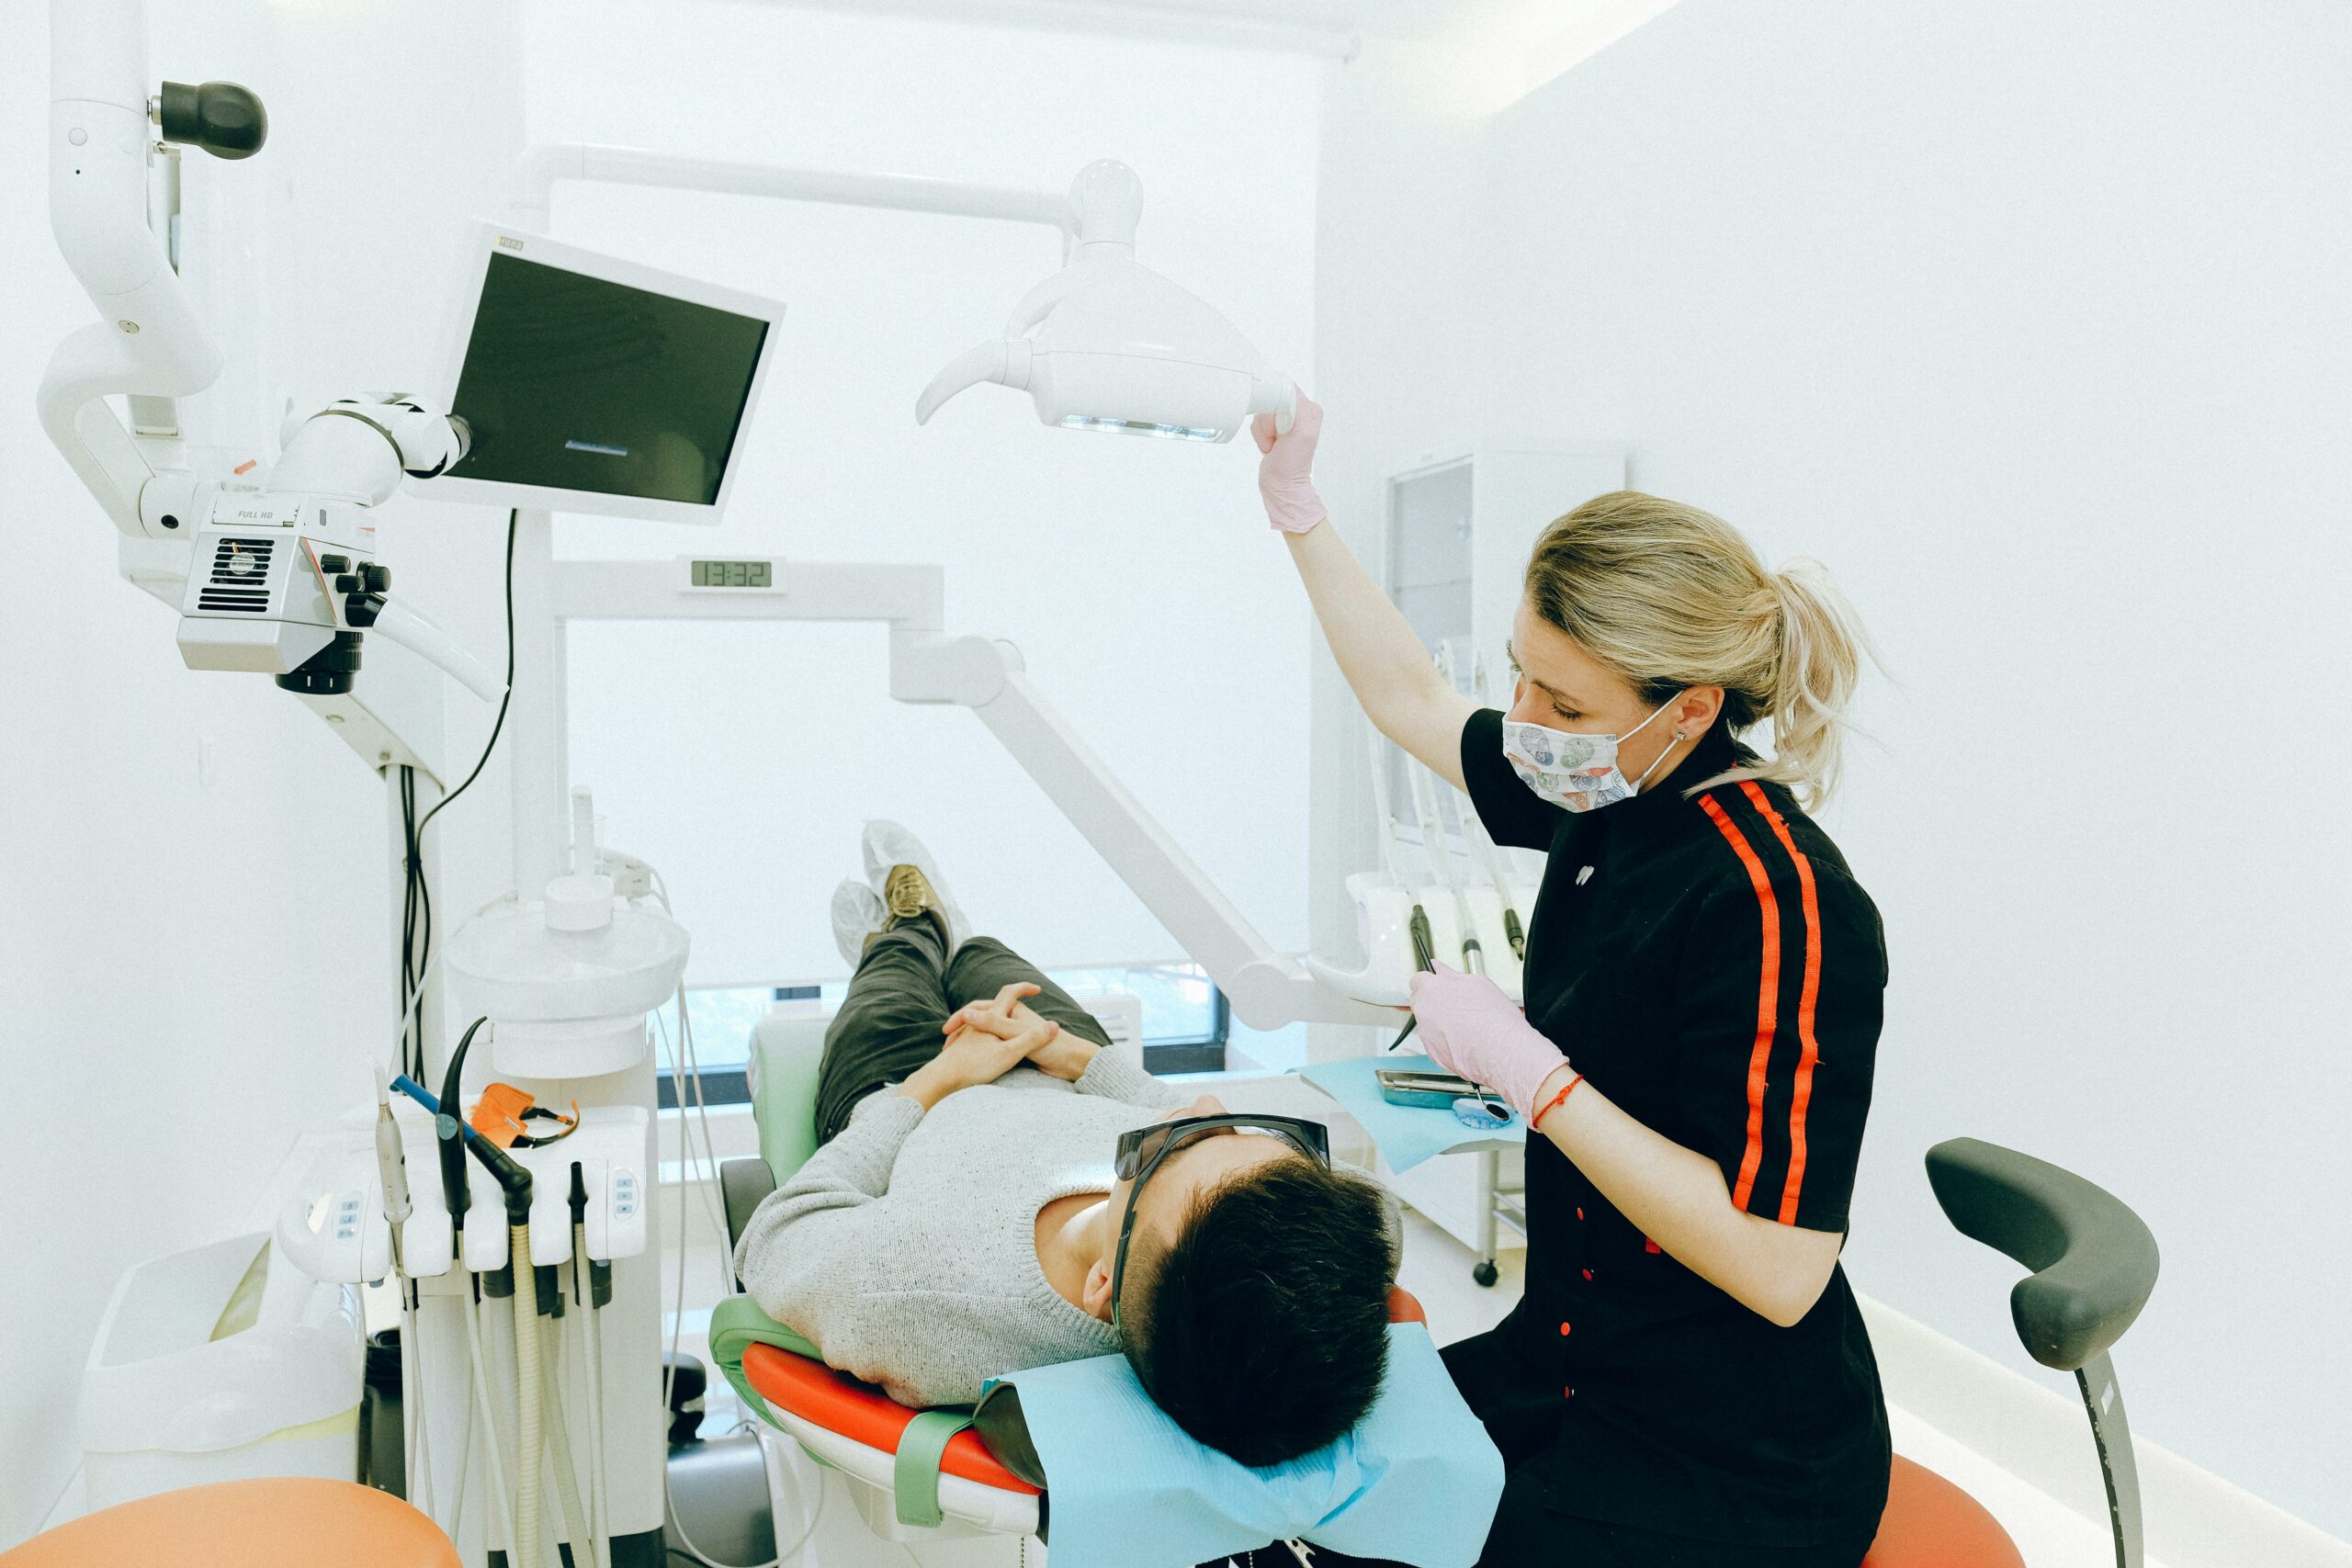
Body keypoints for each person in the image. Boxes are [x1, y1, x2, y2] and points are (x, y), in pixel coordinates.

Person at [1251, 398, 1893, 1565]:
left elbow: (1781, 1267)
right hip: (1566, 1358)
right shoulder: (1604, 792)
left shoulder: (1782, 900)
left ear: (1688, 710)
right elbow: (1409, 700)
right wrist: (1299, 514)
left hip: (1735, 1463)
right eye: (1523, 681)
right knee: (1284, 1478)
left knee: (1350, 1545)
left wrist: (1533, 1076)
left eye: (1565, 704)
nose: (1528, 724)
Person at [730, 821, 1398, 1466]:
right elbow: (1382, 1225)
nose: (1201, 1103)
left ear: (1101, 1284)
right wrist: (1074, 1056)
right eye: (1251, 1131)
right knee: (988, 957)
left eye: (1182, 1142)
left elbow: (774, 1238)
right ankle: (954, 933)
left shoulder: (909, 1295)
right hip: (1061, 1067)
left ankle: (908, 927)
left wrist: (943, 1074)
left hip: (902, 1078)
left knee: (897, 967)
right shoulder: (1221, 1255)